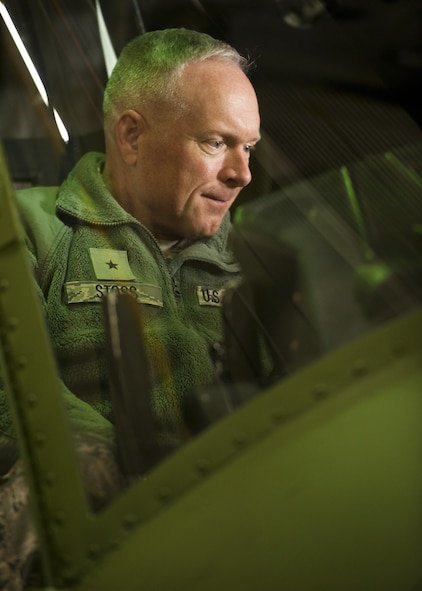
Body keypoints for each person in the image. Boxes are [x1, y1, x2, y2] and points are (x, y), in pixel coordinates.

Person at [0, 27, 261, 588]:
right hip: (100, 541)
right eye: (217, 142)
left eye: (249, 148)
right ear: (132, 136)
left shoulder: (257, 257)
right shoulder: (33, 230)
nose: (242, 173)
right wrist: (94, 453)